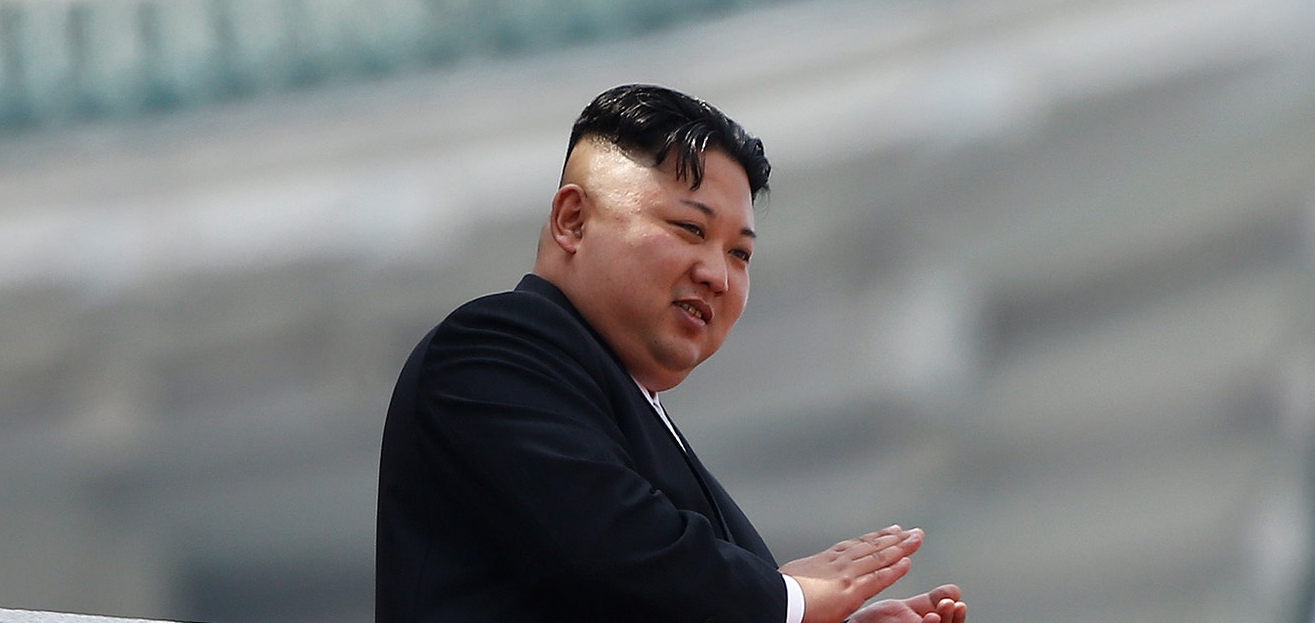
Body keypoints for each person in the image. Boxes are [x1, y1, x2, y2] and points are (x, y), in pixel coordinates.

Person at [376, 83, 966, 623]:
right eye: (690, 229)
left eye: (741, 254)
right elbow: (612, 551)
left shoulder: (628, 412)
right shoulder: (489, 348)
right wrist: (794, 599)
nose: (717, 274)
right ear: (573, 220)